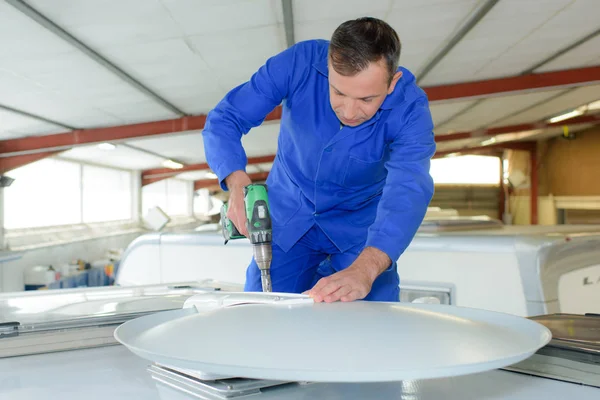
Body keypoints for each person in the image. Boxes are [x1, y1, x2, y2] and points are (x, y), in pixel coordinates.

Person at [202, 17, 436, 303]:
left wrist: (367, 267)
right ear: (326, 68)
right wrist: (236, 183)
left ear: (392, 82)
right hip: (289, 218)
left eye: (366, 100)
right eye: (338, 92)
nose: (350, 111)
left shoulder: (411, 108)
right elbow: (226, 118)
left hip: (359, 232)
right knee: (259, 312)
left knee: (377, 322)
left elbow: (408, 189)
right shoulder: (297, 64)